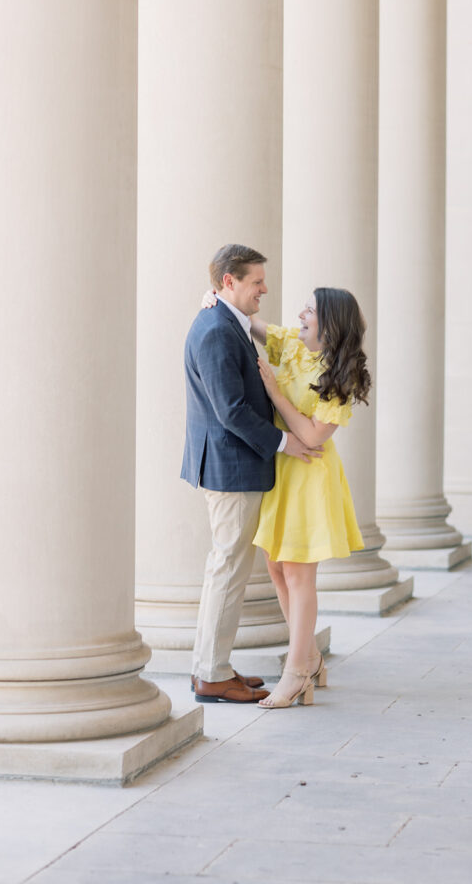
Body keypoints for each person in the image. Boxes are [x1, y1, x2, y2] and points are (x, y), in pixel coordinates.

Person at [203, 285, 371, 709]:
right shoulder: (292, 345)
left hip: (311, 476)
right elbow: (251, 323)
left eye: (310, 310)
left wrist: (277, 394)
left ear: (330, 322)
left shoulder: (342, 374)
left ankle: (296, 673)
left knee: (299, 575)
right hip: (282, 469)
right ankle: (310, 658)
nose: (300, 314)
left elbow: (314, 434)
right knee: (277, 567)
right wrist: (215, 299)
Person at [181, 244, 321, 704]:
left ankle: (212, 666)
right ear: (229, 282)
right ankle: (212, 675)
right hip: (232, 469)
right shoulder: (218, 330)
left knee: (226, 568)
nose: (265, 288)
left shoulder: (225, 321)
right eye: (257, 280)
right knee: (227, 569)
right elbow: (232, 411)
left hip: (231, 466)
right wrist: (288, 442)